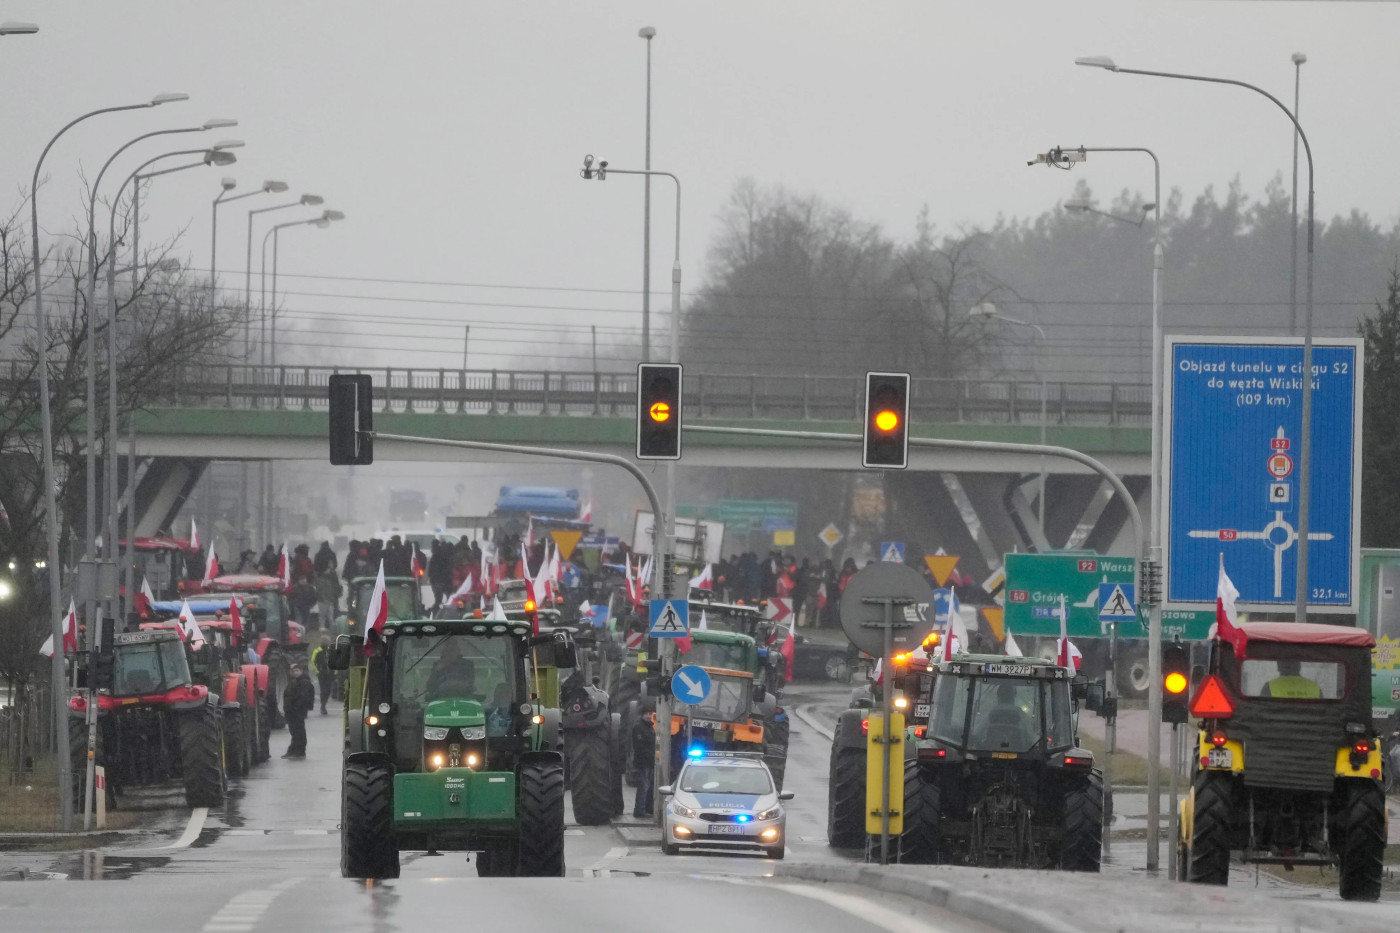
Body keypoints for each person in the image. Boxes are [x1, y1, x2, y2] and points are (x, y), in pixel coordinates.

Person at [282, 663, 315, 758]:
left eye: (297, 671)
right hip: (292, 711)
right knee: (295, 731)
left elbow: (303, 697)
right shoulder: (294, 681)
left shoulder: (304, 682)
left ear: (301, 671)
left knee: (298, 731)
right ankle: (293, 750)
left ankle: (299, 751)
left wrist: (295, 708)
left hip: (297, 711)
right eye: (293, 671)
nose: (295, 673)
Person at [630, 716, 655, 819]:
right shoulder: (639, 728)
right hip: (643, 762)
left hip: (649, 762)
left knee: (648, 786)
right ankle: (639, 811)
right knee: (643, 787)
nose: (648, 716)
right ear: (642, 715)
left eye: (650, 713)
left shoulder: (650, 728)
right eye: (646, 713)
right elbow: (640, 746)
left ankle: (646, 809)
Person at [310, 638, 334, 715]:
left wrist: (335, 672)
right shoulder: (317, 651)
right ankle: (323, 706)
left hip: (329, 674)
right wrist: (317, 671)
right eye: (326, 643)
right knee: (323, 690)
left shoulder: (330, 651)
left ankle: (324, 704)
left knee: (328, 691)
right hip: (322, 674)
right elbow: (312, 661)